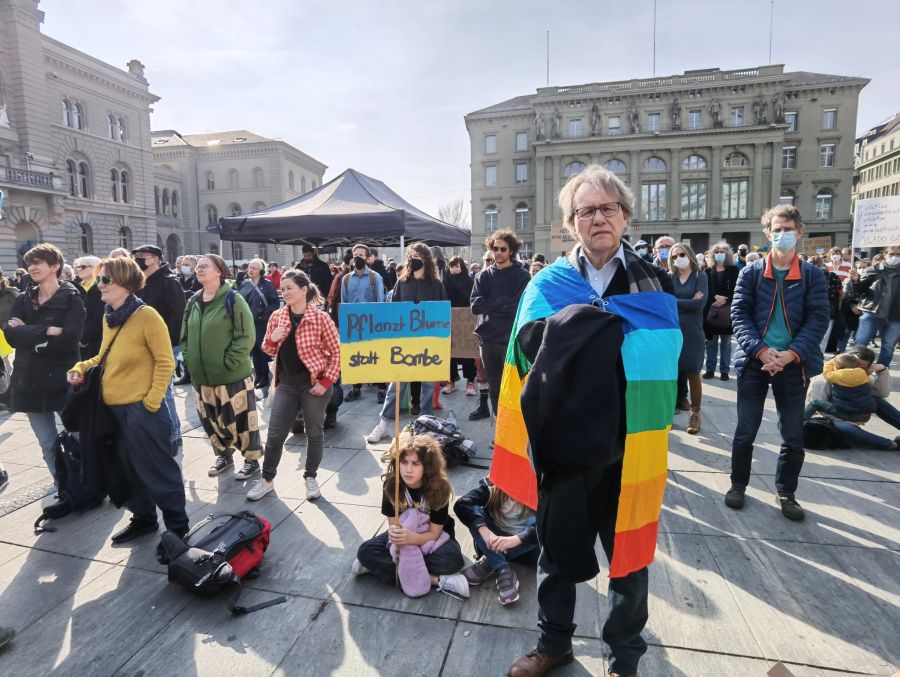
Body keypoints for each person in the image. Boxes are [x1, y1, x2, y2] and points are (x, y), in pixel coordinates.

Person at [501, 164, 677, 677]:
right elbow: (523, 351)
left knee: (630, 556)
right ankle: (554, 643)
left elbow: (663, 358)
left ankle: (625, 656)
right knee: (555, 553)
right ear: (570, 223)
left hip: (627, 444)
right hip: (563, 443)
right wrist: (591, 326)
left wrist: (582, 334)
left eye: (607, 208)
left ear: (625, 217)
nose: (598, 218)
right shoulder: (548, 281)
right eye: (586, 211)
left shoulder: (652, 282)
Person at [67, 256, 188, 544]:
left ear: (125, 282)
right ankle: (144, 518)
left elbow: (165, 361)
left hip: (140, 410)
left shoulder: (146, 316)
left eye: (106, 279)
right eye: (99, 279)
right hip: (111, 409)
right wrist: (80, 367)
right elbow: (104, 355)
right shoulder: (111, 314)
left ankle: (178, 528)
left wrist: (151, 402)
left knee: (157, 469)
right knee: (124, 470)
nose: (100, 285)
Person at [726, 204, 828, 522]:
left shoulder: (812, 275)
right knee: (746, 430)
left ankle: (786, 492)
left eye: (788, 229)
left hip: (793, 365)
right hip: (756, 363)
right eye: (776, 230)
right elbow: (739, 314)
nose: (782, 235)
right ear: (767, 233)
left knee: (793, 435)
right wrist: (760, 351)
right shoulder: (751, 272)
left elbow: (818, 318)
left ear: (800, 231)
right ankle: (738, 485)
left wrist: (792, 353)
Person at [247, 271, 340, 502]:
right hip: (286, 384)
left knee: (314, 431)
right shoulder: (278, 316)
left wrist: (326, 382)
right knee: (276, 433)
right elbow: (267, 350)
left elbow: (337, 352)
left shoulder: (320, 318)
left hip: (313, 384)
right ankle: (267, 480)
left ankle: (310, 477)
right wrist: (272, 339)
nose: (285, 292)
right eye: (283, 288)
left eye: (289, 288)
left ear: (304, 290)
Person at [3, 244, 85, 485]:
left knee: (79, 437)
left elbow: (69, 340)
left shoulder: (72, 297)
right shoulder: (23, 297)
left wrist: (29, 335)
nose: (32, 267)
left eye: (38, 262)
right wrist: (47, 331)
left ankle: (91, 486)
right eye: (30, 263)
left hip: (63, 378)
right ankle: (64, 489)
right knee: (48, 444)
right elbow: (10, 334)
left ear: (55, 266)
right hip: (29, 380)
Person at [352, 434, 469, 599]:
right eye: (404, 462)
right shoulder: (392, 485)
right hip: (403, 533)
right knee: (365, 551)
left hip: (433, 537)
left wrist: (412, 539)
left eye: (415, 464)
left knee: (452, 559)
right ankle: (435, 580)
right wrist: (401, 537)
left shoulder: (439, 488)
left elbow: (434, 533)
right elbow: (394, 527)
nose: (408, 469)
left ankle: (380, 569)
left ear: (427, 467)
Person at [180, 254, 262, 480]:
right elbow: (184, 335)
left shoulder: (233, 299)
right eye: (198, 266)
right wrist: (189, 358)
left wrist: (229, 362)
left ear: (219, 271)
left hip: (232, 376)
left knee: (242, 422)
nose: (198, 269)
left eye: (205, 266)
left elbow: (246, 336)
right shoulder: (193, 300)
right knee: (212, 421)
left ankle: (251, 459)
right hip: (201, 377)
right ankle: (223, 455)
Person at [366, 244, 448, 443]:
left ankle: (426, 424)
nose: (412, 259)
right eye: (410, 256)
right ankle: (384, 424)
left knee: (429, 385)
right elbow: (393, 310)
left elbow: (443, 314)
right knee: (397, 385)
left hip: (428, 342)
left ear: (426, 259)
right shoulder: (402, 282)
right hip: (404, 343)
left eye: (417, 256)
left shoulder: (436, 285)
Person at [470, 229, 531, 421]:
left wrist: (492, 304)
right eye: (495, 248)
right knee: (495, 388)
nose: (498, 252)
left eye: (503, 249)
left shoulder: (522, 276)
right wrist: (502, 302)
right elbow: (475, 306)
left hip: (512, 341)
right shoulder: (483, 277)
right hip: (488, 341)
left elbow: (518, 308)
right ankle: (500, 431)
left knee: (515, 386)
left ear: (511, 251)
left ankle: (517, 430)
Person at [132, 244, 186, 454]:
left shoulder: (169, 282)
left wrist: (170, 343)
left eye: (142, 257)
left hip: (164, 345)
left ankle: (174, 434)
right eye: (135, 256)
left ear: (155, 258)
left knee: (165, 392)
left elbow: (178, 316)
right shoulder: (139, 283)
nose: (138, 260)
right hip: (141, 345)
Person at [453, 478, 537, 605]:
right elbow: (461, 504)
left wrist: (516, 539)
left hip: (524, 548)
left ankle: (491, 562)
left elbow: (551, 523)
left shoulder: (539, 491)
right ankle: (502, 568)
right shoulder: (492, 488)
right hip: (493, 540)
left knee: (542, 525)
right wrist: (484, 531)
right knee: (473, 513)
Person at [805, 346, 900, 449]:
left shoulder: (859, 376)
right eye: (853, 364)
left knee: (877, 400)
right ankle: (892, 445)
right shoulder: (825, 379)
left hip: (857, 413)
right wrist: (845, 421)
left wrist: (882, 371)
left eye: (861, 368)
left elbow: (882, 394)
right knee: (847, 427)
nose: (853, 369)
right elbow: (820, 409)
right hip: (831, 418)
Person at [669, 242, 707, 434]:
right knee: (671, 374)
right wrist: (686, 301)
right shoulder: (671, 277)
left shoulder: (700, 276)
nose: (678, 259)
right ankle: (667, 413)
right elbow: (665, 303)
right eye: (674, 257)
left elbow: (699, 305)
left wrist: (675, 302)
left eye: (681, 254)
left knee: (693, 373)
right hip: (672, 331)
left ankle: (696, 414)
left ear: (690, 254)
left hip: (692, 332)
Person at [341, 243, 385, 403]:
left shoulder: (375, 277)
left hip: (373, 325)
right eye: (355, 254)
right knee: (356, 356)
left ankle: (381, 388)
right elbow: (344, 304)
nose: (358, 257)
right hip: (354, 326)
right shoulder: (346, 279)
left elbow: (381, 302)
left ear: (367, 258)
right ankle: (356, 388)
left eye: (361, 255)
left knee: (377, 355)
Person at [851, 246, 900, 367]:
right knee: (860, 343)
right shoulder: (873, 270)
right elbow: (859, 291)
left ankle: (880, 373)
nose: (895, 257)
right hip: (871, 313)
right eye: (892, 254)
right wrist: (856, 281)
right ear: (885, 255)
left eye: (898, 254)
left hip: (896, 316)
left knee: (888, 346)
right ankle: (855, 371)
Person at [238, 258, 279, 391]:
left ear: (261, 270)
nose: (251, 270)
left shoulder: (267, 284)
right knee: (253, 350)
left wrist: (264, 315)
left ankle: (265, 377)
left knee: (262, 349)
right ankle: (258, 375)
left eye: (254, 268)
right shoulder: (244, 284)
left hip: (261, 322)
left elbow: (274, 303)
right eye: (250, 267)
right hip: (247, 322)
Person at [703, 242, 739, 381]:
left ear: (728, 253)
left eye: (723, 251)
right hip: (711, 310)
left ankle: (724, 370)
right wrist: (715, 297)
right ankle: (710, 369)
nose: (720, 253)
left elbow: (737, 289)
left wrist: (726, 299)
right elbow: (706, 289)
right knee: (711, 342)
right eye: (717, 251)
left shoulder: (734, 270)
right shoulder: (707, 271)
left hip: (727, 311)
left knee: (726, 343)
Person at [804, 353, 875, 423]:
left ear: (838, 367)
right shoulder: (863, 373)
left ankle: (800, 422)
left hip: (851, 415)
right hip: (866, 415)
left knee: (815, 403)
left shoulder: (837, 375)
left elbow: (826, 370)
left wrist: (833, 361)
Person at [442, 256, 476, 395]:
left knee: (468, 350)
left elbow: (473, 299)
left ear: (462, 267)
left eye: (457, 266)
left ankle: (470, 382)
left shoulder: (469, 281)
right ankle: (451, 381)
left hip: (465, 321)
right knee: (450, 352)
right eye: (452, 266)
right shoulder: (445, 281)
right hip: (449, 321)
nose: (454, 269)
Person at [73, 256, 103, 359]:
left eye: (83, 266)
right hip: (77, 337)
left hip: (93, 340)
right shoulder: (77, 287)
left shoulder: (100, 287)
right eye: (77, 267)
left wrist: (83, 338)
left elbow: (97, 317)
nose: (79, 269)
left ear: (95, 268)